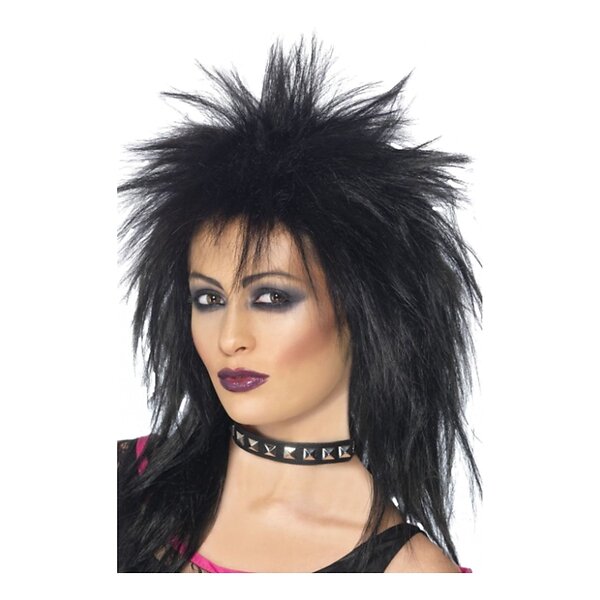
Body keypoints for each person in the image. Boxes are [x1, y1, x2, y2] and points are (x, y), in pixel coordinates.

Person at [117, 35, 481, 573]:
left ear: (366, 311)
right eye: (208, 298)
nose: (229, 338)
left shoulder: (413, 574)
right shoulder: (122, 482)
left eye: (271, 297)